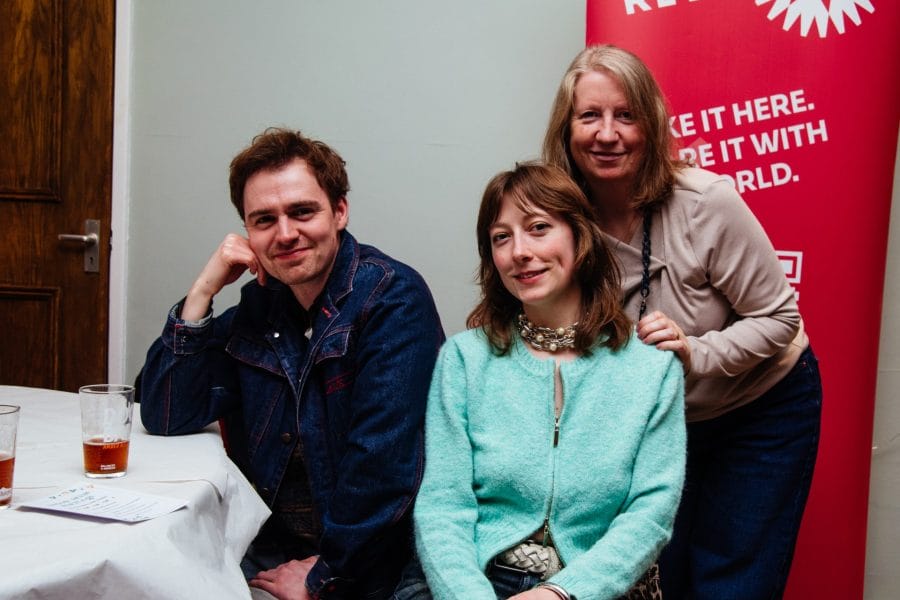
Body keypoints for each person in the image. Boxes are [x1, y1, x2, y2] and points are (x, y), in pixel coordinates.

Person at [542, 45, 823, 599]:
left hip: (757, 408)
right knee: (656, 579)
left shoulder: (705, 202)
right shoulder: (555, 218)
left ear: (650, 124)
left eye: (626, 115)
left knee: (731, 583)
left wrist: (695, 352)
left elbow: (779, 317)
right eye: (589, 115)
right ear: (566, 128)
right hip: (655, 424)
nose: (607, 134)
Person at [137, 128, 445, 600]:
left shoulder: (391, 299)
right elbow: (165, 412)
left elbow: (382, 468)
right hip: (270, 549)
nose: (285, 234)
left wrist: (325, 575)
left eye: (302, 212)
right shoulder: (262, 306)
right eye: (264, 220)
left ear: (339, 211)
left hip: (371, 569)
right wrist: (202, 291)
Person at [395, 163, 686, 600]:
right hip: (469, 579)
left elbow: (651, 514)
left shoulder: (652, 369)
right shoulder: (463, 360)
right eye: (501, 237)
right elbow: (444, 506)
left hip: (588, 586)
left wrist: (561, 593)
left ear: (579, 236)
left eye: (538, 228)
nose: (519, 252)